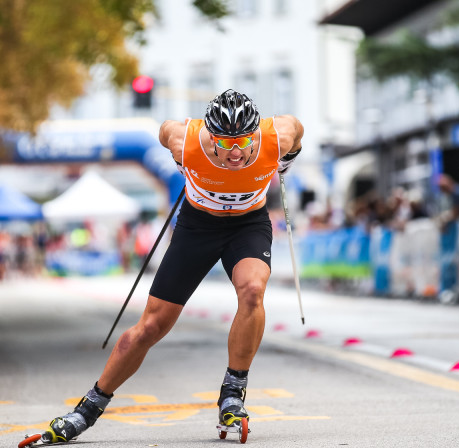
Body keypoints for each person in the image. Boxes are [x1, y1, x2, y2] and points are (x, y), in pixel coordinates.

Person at [32, 89, 303, 444]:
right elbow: (164, 128)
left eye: (243, 142)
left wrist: (287, 161)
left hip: (247, 226)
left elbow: (297, 131)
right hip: (197, 227)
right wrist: (182, 164)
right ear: (211, 137)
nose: (236, 152)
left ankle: (233, 390)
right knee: (151, 327)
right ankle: (87, 409)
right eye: (225, 143)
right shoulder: (185, 141)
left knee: (253, 291)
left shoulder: (276, 136)